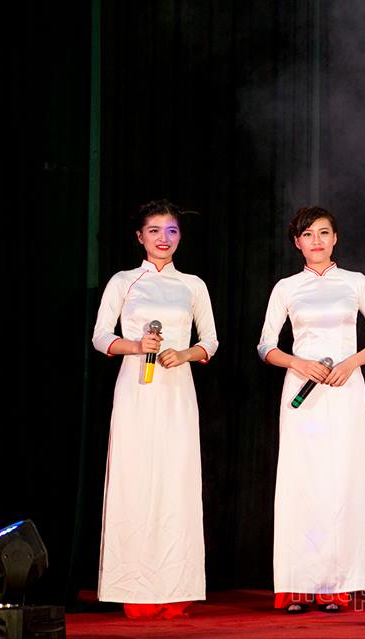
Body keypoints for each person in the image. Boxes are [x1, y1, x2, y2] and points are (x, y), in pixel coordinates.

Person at [258, 206, 365, 613]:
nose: (316, 240)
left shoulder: (356, 282)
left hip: (345, 390)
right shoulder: (286, 287)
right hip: (302, 394)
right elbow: (265, 346)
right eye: (307, 234)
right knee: (301, 482)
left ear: (335, 238)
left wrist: (351, 364)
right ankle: (297, 586)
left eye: (323, 233)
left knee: (343, 481)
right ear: (296, 242)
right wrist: (298, 363)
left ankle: (336, 586)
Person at [91, 199, 219, 619]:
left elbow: (211, 341)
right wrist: (135, 345)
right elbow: (100, 336)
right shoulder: (123, 281)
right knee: (134, 480)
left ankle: (176, 588)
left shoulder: (193, 285)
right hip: (135, 388)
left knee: (176, 482)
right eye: (154, 230)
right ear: (139, 236)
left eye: (172, 230)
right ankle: (132, 588)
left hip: (177, 390)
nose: (164, 239)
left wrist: (185, 354)